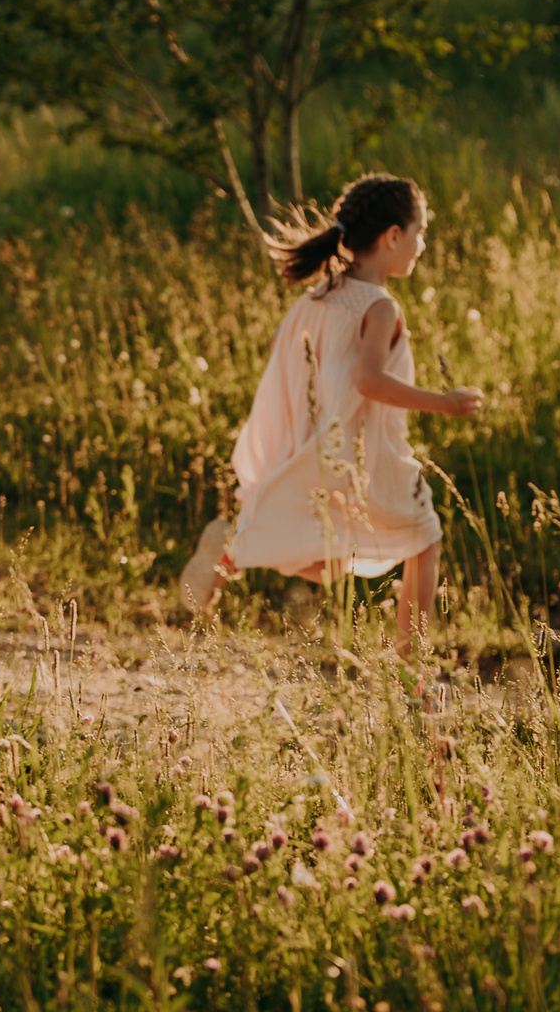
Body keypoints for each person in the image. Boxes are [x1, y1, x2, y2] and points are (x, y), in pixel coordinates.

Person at [180, 172, 482, 656]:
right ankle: (412, 667)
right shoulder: (379, 306)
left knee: (335, 563)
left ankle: (232, 552)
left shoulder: (323, 294)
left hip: (322, 451)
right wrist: (444, 402)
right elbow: (368, 381)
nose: (422, 245)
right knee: (424, 538)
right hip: (364, 458)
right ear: (393, 237)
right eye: (420, 232)